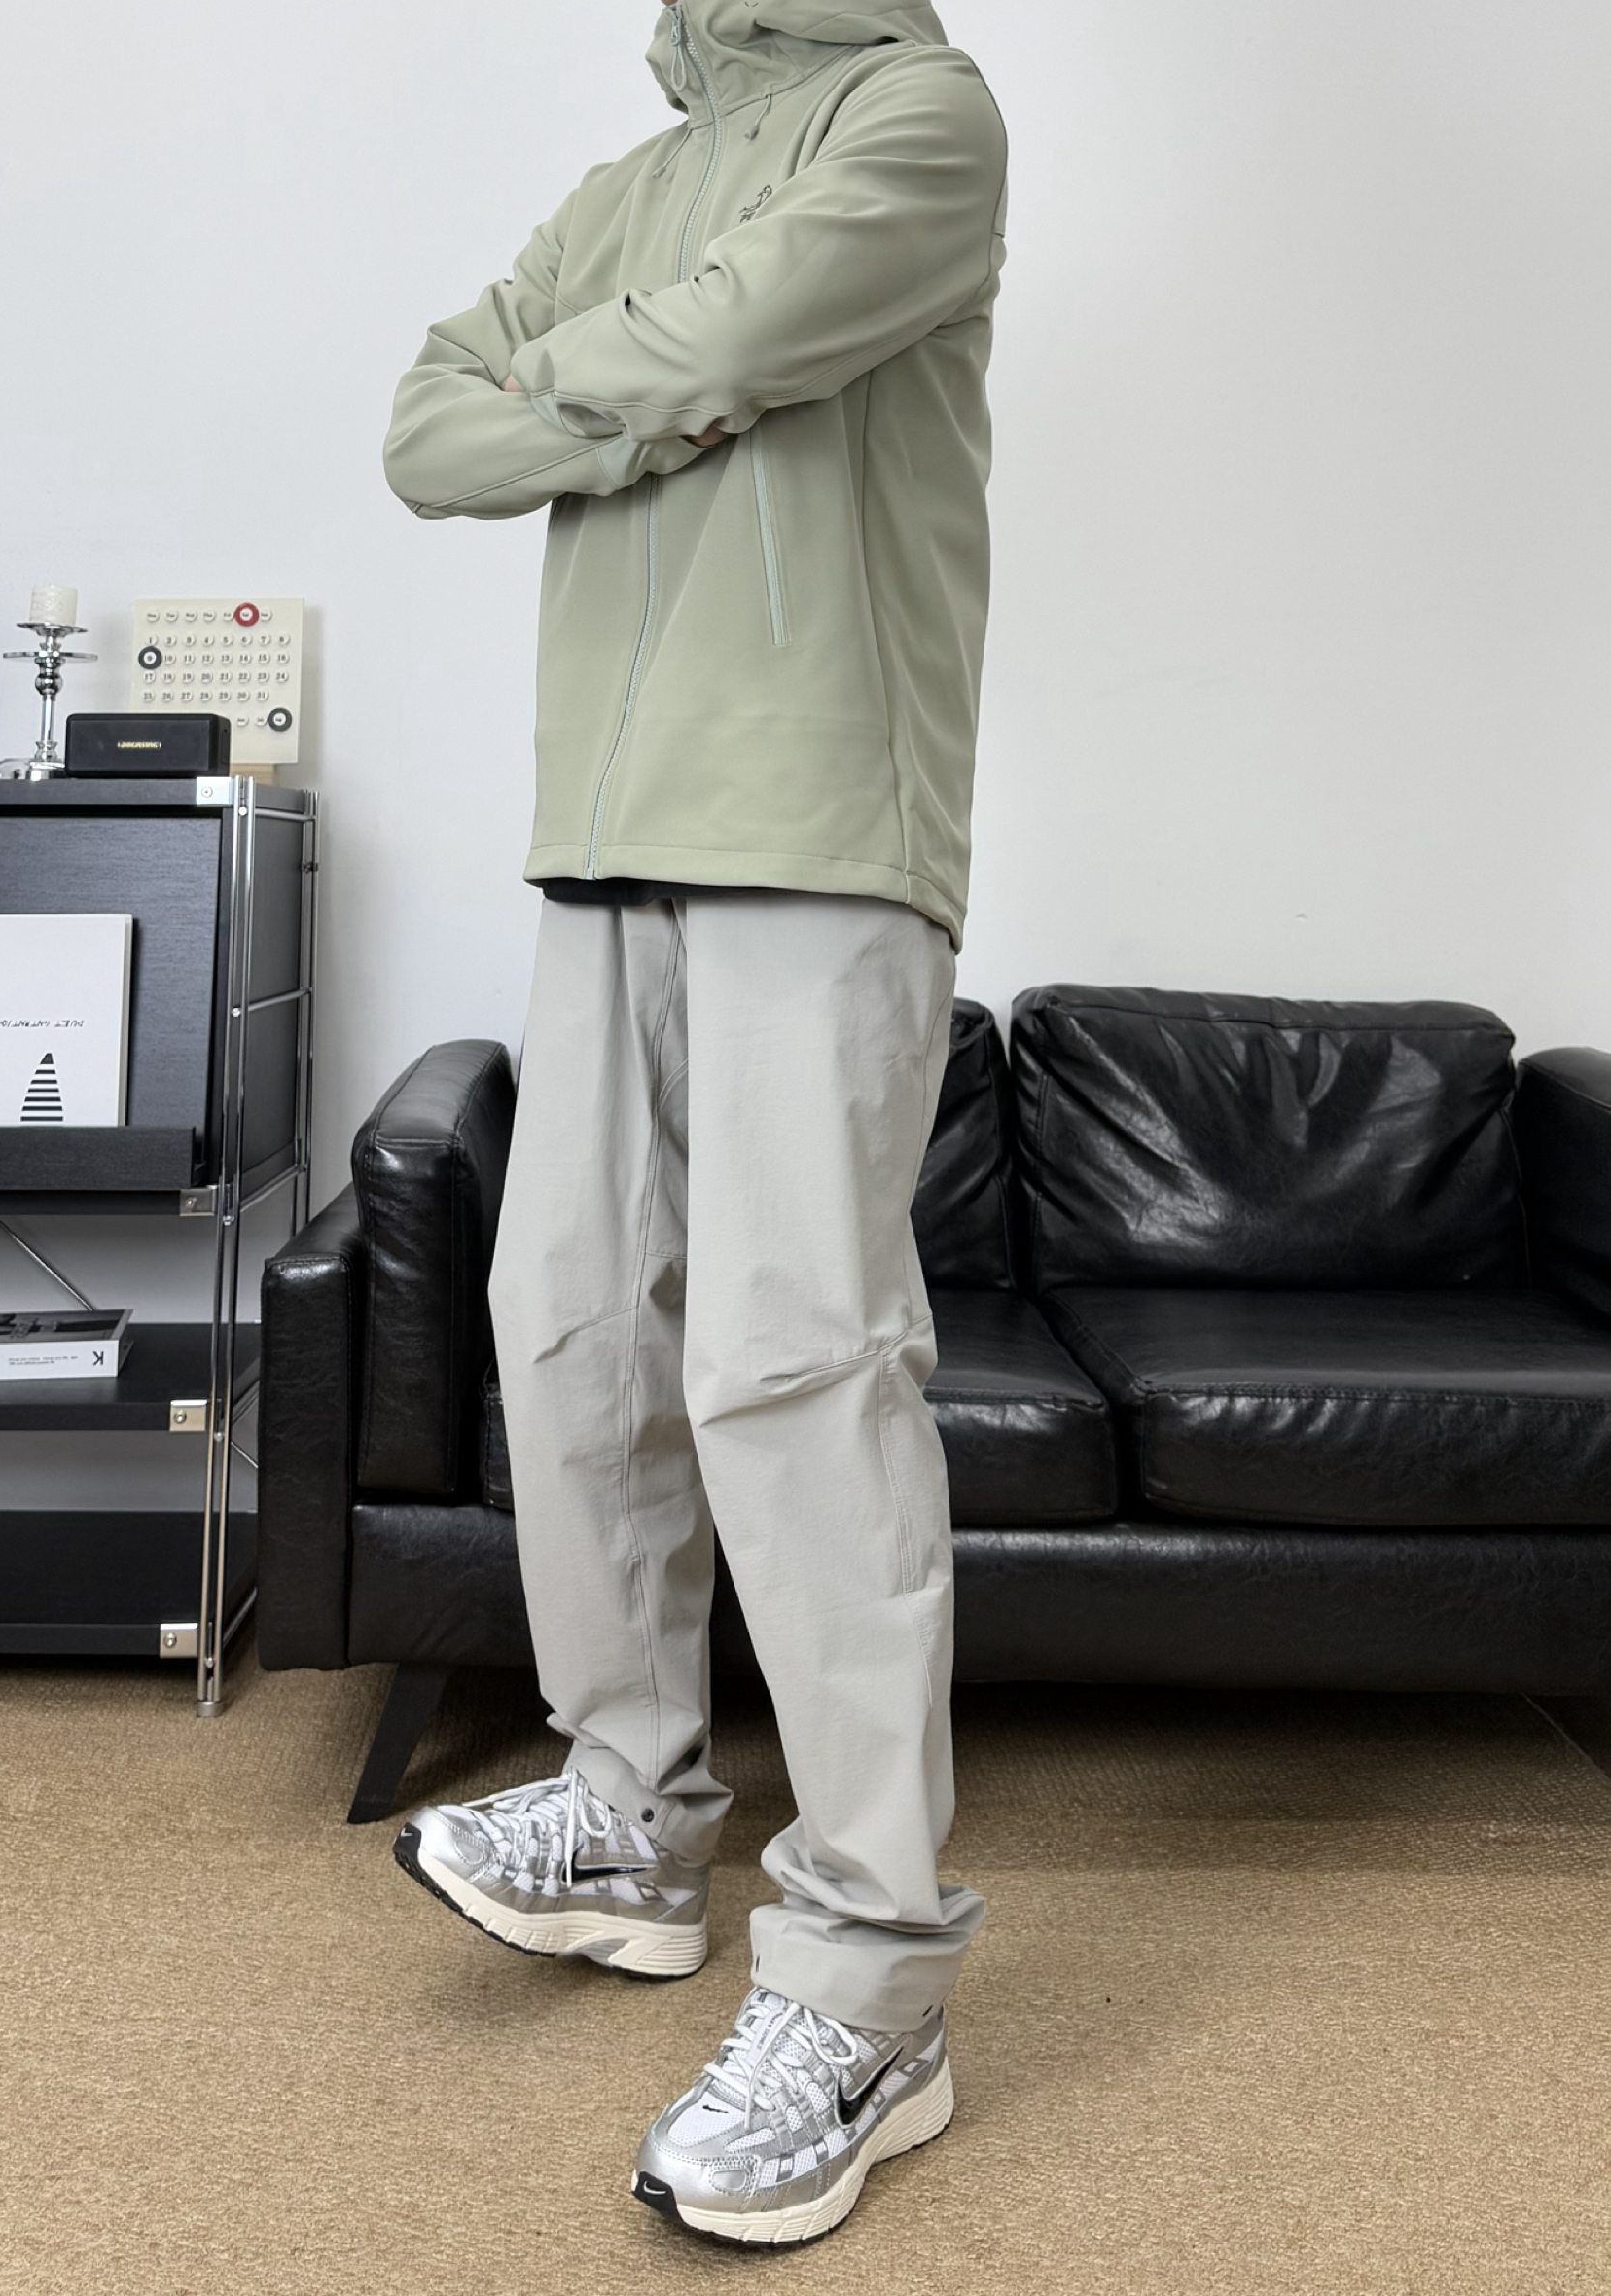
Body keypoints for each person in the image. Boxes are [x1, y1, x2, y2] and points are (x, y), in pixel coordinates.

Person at [381, 0, 1006, 2247]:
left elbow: (713, 337)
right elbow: (427, 431)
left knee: (793, 1364)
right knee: (569, 1329)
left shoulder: (920, 114)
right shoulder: (625, 187)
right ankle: (633, 1813)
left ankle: (871, 1981)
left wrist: (612, 382)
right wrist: (671, 376)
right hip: (604, 832)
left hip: (822, 820)